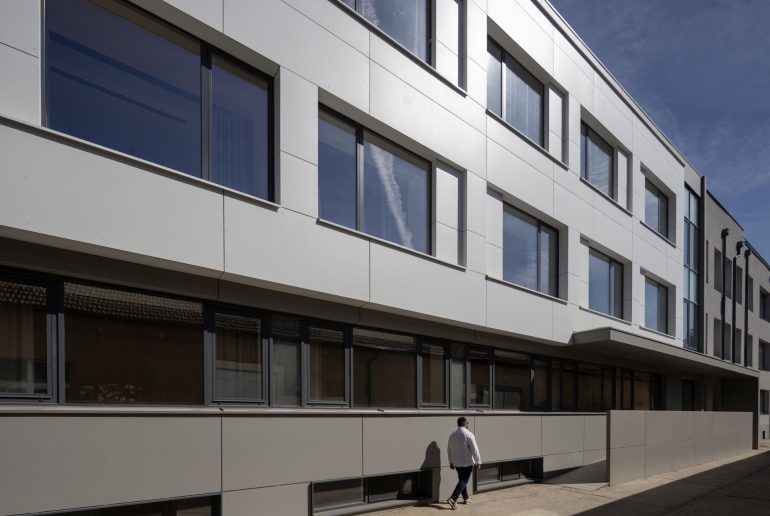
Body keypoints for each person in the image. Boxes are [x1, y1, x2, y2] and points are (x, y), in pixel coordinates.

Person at [446, 416, 481, 509]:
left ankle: (466, 498)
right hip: (467, 463)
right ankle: (453, 498)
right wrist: (478, 461)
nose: (468, 424)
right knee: (464, 481)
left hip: (457, 463)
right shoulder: (469, 434)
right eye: (467, 422)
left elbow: (449, 449)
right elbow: (475, 449)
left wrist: (451, 461)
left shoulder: (452, 435)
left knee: (462, 480)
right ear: (465, 424)